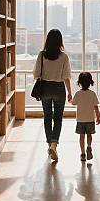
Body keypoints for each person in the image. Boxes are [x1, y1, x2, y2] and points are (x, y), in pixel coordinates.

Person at [33, 29, 72, 161]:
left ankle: (49, 143)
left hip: (45, 88)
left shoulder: (41, 55)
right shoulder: (64, 57)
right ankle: (54, 145)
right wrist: (70, 92)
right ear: (60, 41)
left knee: (47, 118)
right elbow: (66, 77)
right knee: (58, 118)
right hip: (59, 88)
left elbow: (36, 73)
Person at [71, 72, 100, 162]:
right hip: (90, 119)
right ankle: (89, 147)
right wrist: (98, 117)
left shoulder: (78, 94)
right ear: (90, 82)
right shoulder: (92, 94)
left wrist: (70, 99)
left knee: (81, 136)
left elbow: (73, 103)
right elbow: (96, 107)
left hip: (80, 119)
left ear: (79, 82)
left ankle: (83, 154)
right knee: (89, 134)